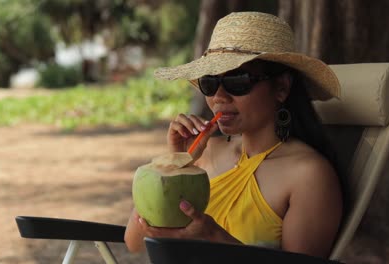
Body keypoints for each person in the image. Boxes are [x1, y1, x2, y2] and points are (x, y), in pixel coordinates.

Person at [124, 11, 344, 258]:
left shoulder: (308, 175)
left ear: (281, 87)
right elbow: (136, 242)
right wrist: (173, 163)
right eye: (209, 82)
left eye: (237, 81)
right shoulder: (203, 155)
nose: (219, 97)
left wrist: (214, 237)